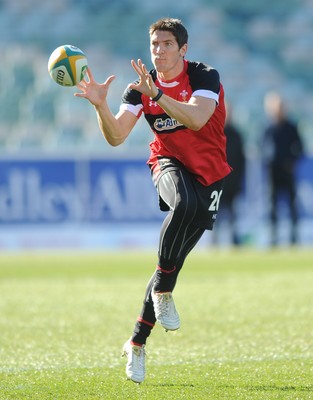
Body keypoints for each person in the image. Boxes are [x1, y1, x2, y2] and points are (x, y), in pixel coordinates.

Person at [74, 17, 231, 383]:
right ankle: (163, 290)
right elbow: (116, 137)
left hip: (210, 173)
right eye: (154, 45)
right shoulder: (138, 89)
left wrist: (158, 95)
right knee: (184, 208)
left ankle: (137, 342)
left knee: (172, 261)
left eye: (166, 44)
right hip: (167, 162)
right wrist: (100, 107)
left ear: (183, 49)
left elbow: (196, 118)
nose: (158, 51)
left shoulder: (205, 76)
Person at [263, 91, 304, 246]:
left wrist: (292, 161)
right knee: (272, 205)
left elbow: (299, 147)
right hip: (273, 172)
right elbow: (263, 147)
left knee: (292, 203)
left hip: (287, 172)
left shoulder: (291, 127)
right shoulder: (268, 128)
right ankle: (273, 237)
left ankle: (294, 236)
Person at [214, 102, 245, 246]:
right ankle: (215, 241)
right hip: (217, 181)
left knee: (233, 215)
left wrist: (239, 182)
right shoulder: (214, 132)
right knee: (215, 215)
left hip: (232, 182)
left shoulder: (237, 135)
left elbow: (241, 161)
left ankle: (234, 241)